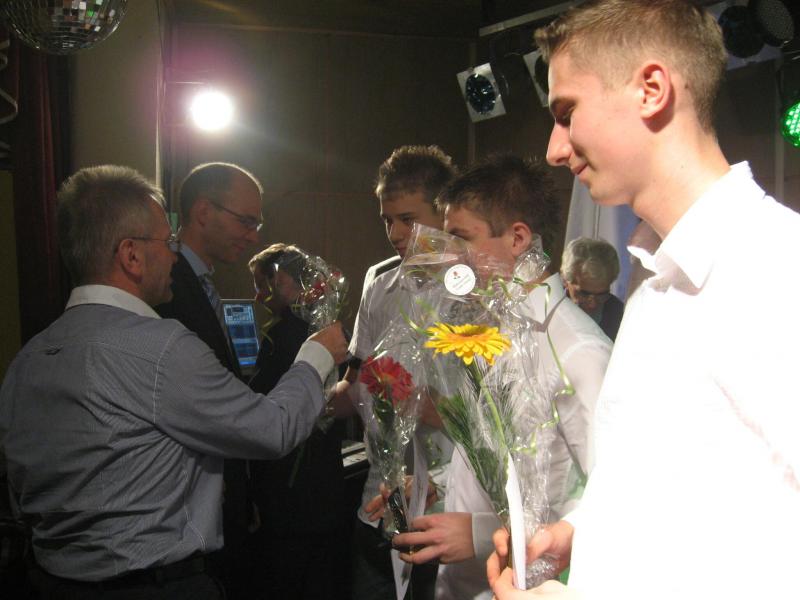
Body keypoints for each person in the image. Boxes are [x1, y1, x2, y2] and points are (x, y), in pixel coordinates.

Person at [488, 1, 800, 599]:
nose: (554, 149)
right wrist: (588, 532)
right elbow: (693, 492)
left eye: (566, 113)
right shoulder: (655, 277)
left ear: (651, 90)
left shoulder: (777, 271)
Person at [0, 165, 348, 599]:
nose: (174, 254)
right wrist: (317, 355)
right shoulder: (163, 348)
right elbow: (271, 429)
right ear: (131, 255)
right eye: (167, 243)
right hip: (155, 585)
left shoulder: (27, 360)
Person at [391, 154, 612, 600]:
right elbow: (503, 461)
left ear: (517, 238)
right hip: (462, 585)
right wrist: (435, 487)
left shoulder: (580, 351)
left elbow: (613, 503)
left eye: (460, 238)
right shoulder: (493, 326)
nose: (448, 255)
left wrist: (479, 533)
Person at [334, 145, 457, 600]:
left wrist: (424, 406)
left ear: (444, 213)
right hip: (379, 501)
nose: (395, 233)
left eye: (408, 219)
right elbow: (360, 379)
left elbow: (494, 418)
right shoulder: (379, 282)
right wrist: (312, 398)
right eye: (387, 220)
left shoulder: (475, 289)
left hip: (443, 504)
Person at [154, 162, 263, 595]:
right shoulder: (167, 284)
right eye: (246, 221)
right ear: (202, 212)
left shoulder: (198, 281)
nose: (253, 236)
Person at [245, 243, 347, 599]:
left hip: (290, 489)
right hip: (327, 486)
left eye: (263, 285)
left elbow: (263, 408)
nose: (258, 297)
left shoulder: (284, 334)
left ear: (283, 280)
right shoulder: (332, 330)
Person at [560, 237, 624, 340]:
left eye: (602, 295)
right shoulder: (546, 310)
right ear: (565, 281)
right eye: (584, 294)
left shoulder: (621, 319)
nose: (593, 304)